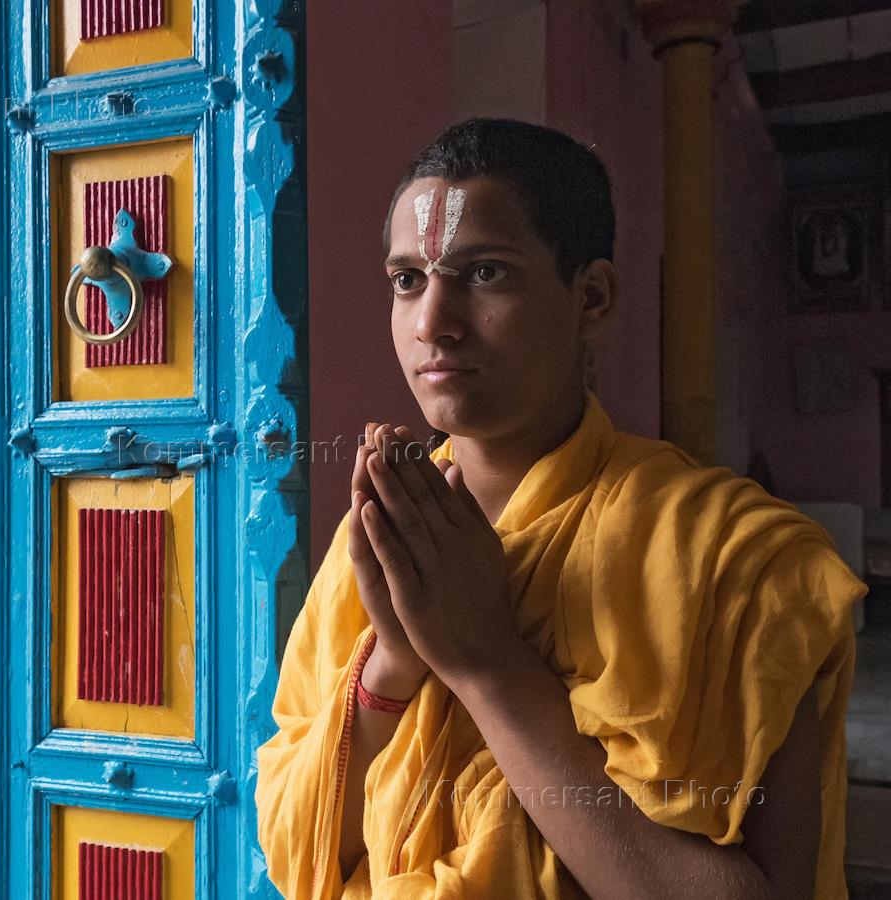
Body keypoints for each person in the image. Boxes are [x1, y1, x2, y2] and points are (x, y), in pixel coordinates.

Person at [254, 118, 866, 899]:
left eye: (485, 274)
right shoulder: (382, 538)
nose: (432, 323)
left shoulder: (736, 560)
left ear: (593, 297)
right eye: (408, 280)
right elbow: (299, 849)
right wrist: (393, 664)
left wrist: (487, 665)